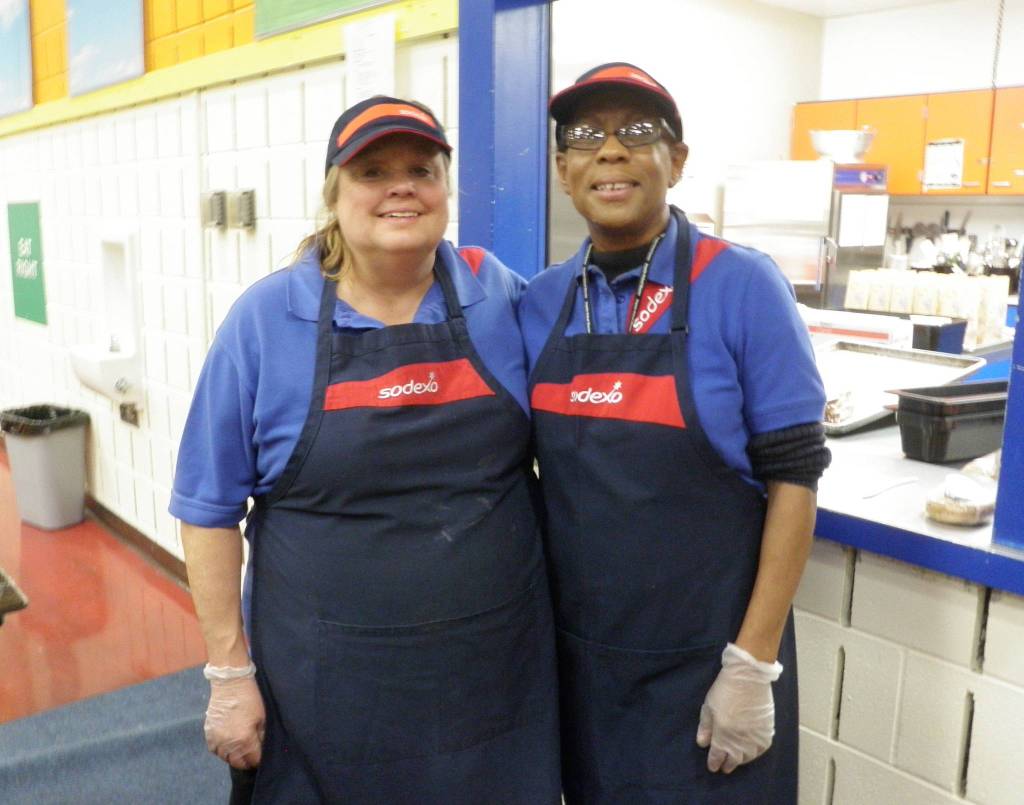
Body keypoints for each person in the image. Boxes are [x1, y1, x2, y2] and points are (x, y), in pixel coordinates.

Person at [170, 96, 560, 804]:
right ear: (334, 195)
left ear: (446, 189)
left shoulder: (496, 294)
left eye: (422, 168)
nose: (401, 186)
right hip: (325, 689)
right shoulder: (266, 320)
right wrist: (229, 674)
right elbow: (207, 507)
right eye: (373, 171)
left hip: (494, 678)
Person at [519, 63, 830, 803]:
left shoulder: (745, 286)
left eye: (637, 132)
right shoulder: (539, 303)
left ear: (677, 161)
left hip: (710, 668)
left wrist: (752, 664)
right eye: (586, 136)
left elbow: (796, 477)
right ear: (563, 170)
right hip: (585, 671)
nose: (612, 151)